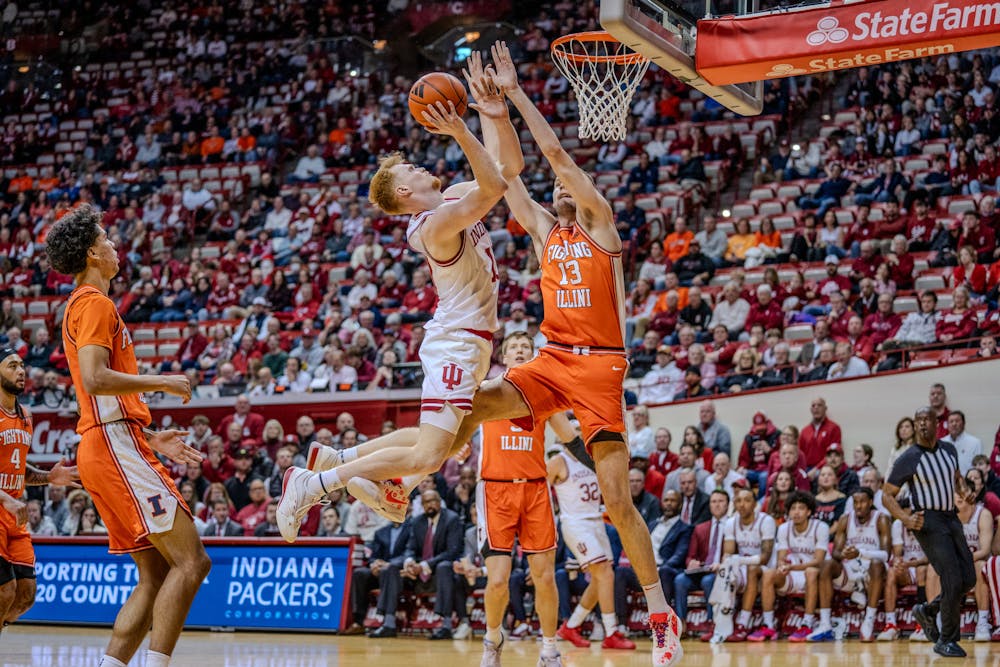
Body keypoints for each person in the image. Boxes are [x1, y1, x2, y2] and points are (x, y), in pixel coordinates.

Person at [445, 42, 687, 664]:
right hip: (553, 359)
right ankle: (405, 476)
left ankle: (661, 615)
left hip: (602, 367)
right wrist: (489, 113)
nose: (557, 182)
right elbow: (510, 180)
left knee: (617, 502)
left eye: (566, 179)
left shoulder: (600, 225)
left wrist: (518, 91)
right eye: (555, 183)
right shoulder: (545, 231)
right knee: (469, 404)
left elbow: (552, 153)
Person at [277, 57, 520, 532]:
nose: (418, 162)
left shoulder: (450, 199)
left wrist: (495, 114)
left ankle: (338, 458)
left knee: (445, 446)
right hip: (457, 341)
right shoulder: (433, 226)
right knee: (431, 456)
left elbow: (507, 169)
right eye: (409, 166)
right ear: (405, 191)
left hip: (468, 339)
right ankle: (316, 484)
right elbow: (493, 187)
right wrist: (460, 131)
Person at [45, 206, 210, 667]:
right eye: (108, 239)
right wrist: (162, 382)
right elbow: (96, 380)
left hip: (108, 443)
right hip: (112, 444)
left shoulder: (78, 306)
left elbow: (95, 393)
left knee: (156, 574)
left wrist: (151, 438)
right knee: (193, 563)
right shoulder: (95, 303)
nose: (115, 245)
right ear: (93, 253)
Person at [473, 333, 564, 666]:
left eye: (526, 346)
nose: (521, 350)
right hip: (495, 490)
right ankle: (493, 639)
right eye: (515, 347)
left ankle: (550, 650)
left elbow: (569, 437)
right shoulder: (486, 391)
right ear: (505, 356)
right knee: (497, 581)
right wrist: (458, 447)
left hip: (536, 489)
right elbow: (458, 423)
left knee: (544, 577)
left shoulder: (544, 396)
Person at [882, 407, 977, 657]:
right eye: (918, 420)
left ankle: (928, 611)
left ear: (937, 423)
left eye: (927, 419)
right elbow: (886, 495)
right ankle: (947, 639)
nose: (923, 424)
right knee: (952, 578)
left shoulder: (949, 450)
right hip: (928, 522)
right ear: (914, 425)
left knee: (968, 578)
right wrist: (905, 517)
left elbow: (955, 478)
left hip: (951, 518)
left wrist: (964, 490)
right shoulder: (909, 457)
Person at [0, 348, 79, 629]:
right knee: (4, 592)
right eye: (12, 366)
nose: (21, 371)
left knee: (25, 596)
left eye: (22, 366)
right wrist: (5, 499)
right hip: (2, 510)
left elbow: (19, 467)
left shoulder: (26, 415)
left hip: (14, 516)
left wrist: (49, 476)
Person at [551, 444, 636, 651]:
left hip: (597, 521)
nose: (580, 434)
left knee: (602, 580)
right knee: (605, 575)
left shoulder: (593, 456)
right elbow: (540, 490)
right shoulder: (558, 461)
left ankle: (570, 627)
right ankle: (611, 633)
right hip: (576, 524)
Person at [809, 487, 890, 642]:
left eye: (863, 502)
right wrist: (844, 554)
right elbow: (836, 553)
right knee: (826, 564)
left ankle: (868, 621)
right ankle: (825, 623)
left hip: (873, 574)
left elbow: (886, 555)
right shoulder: (846, 519)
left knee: (876, 564)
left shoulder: (881, 519)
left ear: (871, 502)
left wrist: (860, 553)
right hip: (851, 571)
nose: (858, 506)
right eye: (856, 502)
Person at [749, 491, 829, 642]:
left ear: (809, 511)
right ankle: (769, 624)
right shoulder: (784, 528)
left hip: (818, 574)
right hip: (796, 572)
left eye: (801, 508)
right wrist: (782, 566)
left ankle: (807, 623)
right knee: (769, 574)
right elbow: (781, 558)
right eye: (793, 508)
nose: (797, 512)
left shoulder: (821, 527)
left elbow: (818, 561)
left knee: (811, 572)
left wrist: (791, 568)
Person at [714, 488, 776, 642]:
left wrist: (737, 560)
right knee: (723, 572)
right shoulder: (730, 523)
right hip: (743, 567)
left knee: (752, 569)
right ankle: (719, 625)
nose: (742, 505)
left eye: (747, 500)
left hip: (766, 569)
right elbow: (728, 553)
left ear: (755, 504)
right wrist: (724, 564)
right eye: (739, 501)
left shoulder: (766, 521)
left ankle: (743, 622)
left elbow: (765, 558)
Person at [673, 490, 730, 639]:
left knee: (708, 581)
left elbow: (735, 554)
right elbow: (690, 556)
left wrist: (722, 564)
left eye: (721, 501)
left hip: (721, 573)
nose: (717, 505)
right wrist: (692, 563)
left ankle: (712, 623)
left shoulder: (732, 525)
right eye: (713, 501)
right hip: (702, 570)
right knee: (680, 580)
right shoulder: (700, 528)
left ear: (728, 504)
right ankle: (681, 623)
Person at [877, 508, 929, 641]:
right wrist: (898, 562)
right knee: (892, 571)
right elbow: (898, 552)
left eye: (908, 516)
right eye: (902, 516)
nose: (905, 519)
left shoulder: (927, 523)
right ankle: (891, 625)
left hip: (926, 568)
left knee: (921, 569)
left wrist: (910, 564)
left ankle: (922, 625)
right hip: (908, 569)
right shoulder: (898, 525)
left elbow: (931, 558)